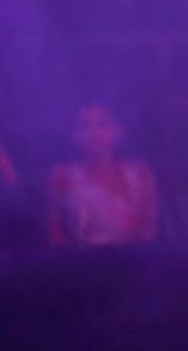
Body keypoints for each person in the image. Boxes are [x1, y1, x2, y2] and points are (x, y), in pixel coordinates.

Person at [47, 103, 158, 246]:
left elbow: (148, 231)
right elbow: (56, 233)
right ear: (76, 136)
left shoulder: (140, 174)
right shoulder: (64, 177)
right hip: (83, 263)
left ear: (117, 130)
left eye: (102, 124)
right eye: (85, 126)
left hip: (135, 262)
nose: (95, 134)